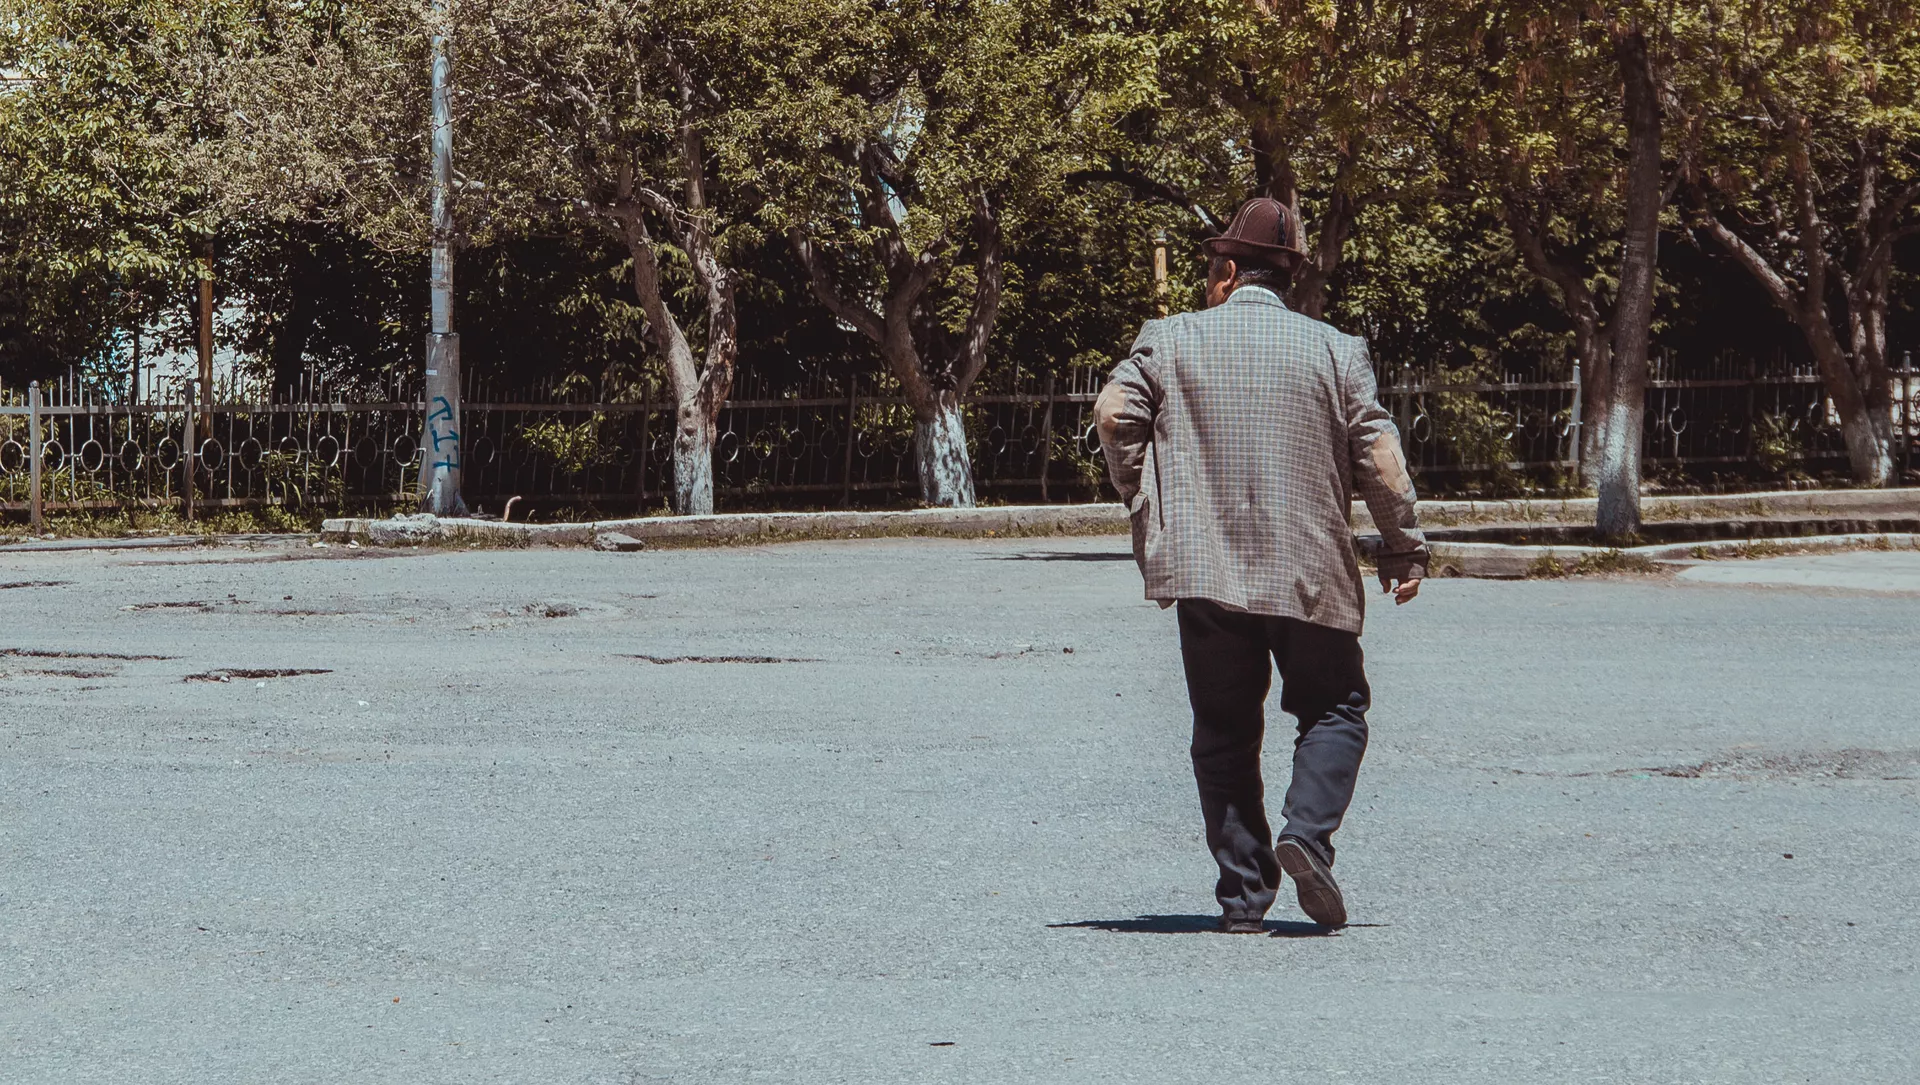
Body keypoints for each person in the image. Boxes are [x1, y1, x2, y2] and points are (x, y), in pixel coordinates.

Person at [1094, 197, 1428, 932]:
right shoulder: (1336, 350)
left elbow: (1115, 413)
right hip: (1309, 565)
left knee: (1223, 729)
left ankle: (1244, 899)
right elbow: (1380, 455)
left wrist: (1141, 495)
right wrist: (1402, 545)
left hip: (1204, 566)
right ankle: (1306, 835)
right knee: (1334, 706)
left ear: (1226, 272)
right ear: (1286, 278)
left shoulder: (1169, 339)